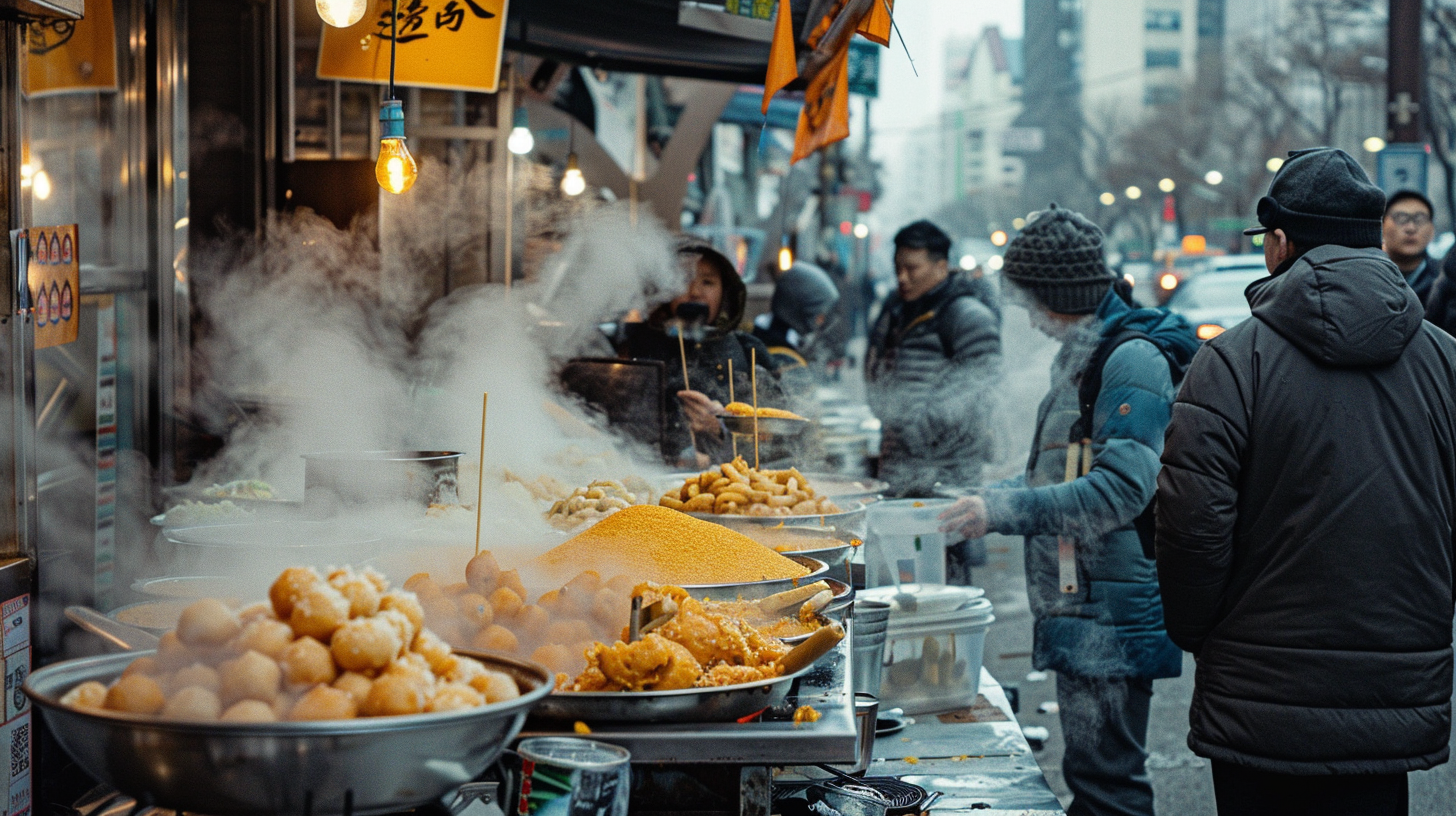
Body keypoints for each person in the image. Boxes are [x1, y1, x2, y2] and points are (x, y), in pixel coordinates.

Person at [1156, 148, 1456, 816]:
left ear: (1282, 241)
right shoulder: (1444, 360)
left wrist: (1203, 633)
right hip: (1392, 681)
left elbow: (1189, 529)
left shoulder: (1232, 362)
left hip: (1260, 690)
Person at [938, 205, 1192, 816]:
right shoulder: (1085, 349)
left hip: (1110, 607)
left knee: (1109, 787)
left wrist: (1000, 509)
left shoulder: (1129, 360)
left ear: (1059, 294)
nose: (1026, 316)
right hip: (1083, 600)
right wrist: (984, 493)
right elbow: (1061, 466)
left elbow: (1121, 491)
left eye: (1029, 301)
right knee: (1092, 774)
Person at [616, 239, 783, 467]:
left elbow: (778, 440)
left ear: (725, 292)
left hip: (729, 489)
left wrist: (721, 426)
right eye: (684, 280)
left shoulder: (749, 352)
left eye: (707, 282)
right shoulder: (633, 346)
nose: (694, 291)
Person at [865, 220, 1001, 496]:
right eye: (897, 268)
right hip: (897, 463)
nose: (902, 277)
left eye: (912, 268)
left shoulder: (967, 316)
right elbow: (875, 365)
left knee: (952, 539)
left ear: (940, 267)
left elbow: (980, 388)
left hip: (949, 475)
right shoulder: (895, 310)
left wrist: (917, 431)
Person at [1382, 189, 1438, 303]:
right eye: (1400, 218)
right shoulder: (1367, 278)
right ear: (1382, 226)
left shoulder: (1446, 281)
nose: (1411, 228)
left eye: (1420, 219)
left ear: (1432, 230)